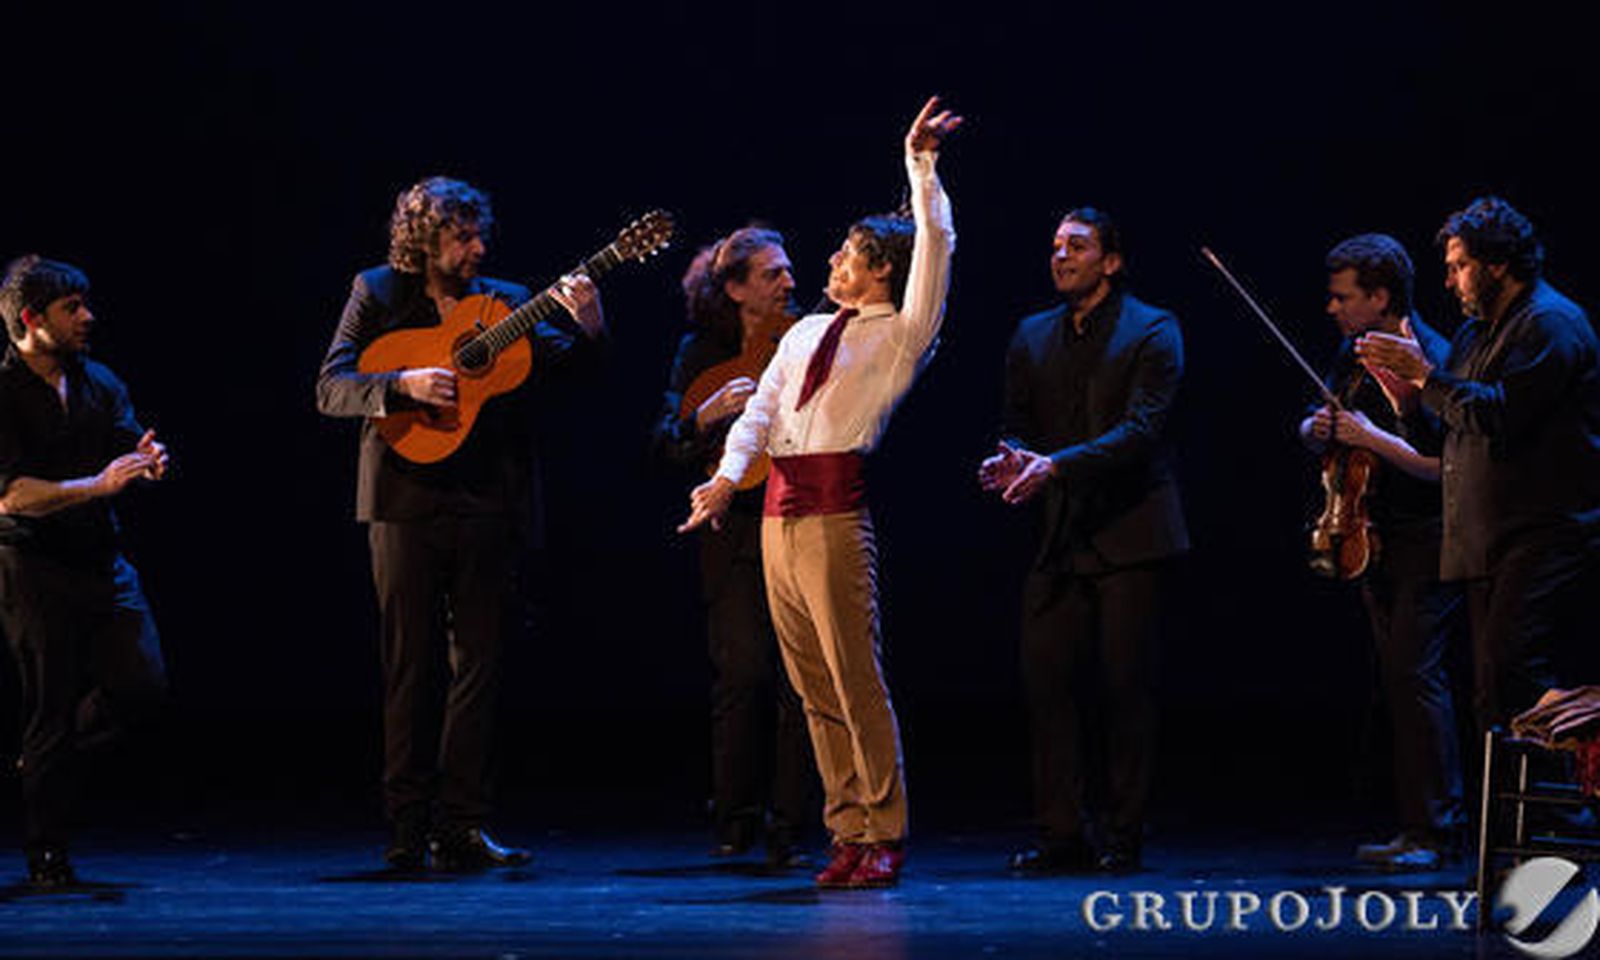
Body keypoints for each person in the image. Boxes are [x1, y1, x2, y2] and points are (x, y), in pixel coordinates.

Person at [679, 96, 961, 889]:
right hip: (776, 516)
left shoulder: (902, 333)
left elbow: (935, 246)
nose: (831, 262)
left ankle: (884, 827)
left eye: (848, 255)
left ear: (881, 272)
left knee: (851, 673)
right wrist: (727, 480)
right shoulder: (805, 331)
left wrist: (921, 166)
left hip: (836, 514)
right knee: (808, 682)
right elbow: (762, 410)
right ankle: (846, 827)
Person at [316, 176, 603, 870]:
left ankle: (463, 826)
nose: (478, 248)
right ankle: (407, 827)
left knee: (479, 666)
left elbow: (574, 376)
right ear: (425, 239)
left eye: (480, 235)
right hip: (403, 502)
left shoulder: (504, 303)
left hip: (489, 503)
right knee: (409, 667)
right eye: (462, 237)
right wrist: (403, 384)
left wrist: (590, 320)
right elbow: (330, 386)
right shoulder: (377, 291)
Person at [979, 208, 1187, 875]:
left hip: (1131, 533)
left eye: (1077, 245)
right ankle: (1061, 833)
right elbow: (1017, 423)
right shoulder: (1032, 334)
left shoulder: (1153, 328)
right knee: (1048, 687)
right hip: (1060, 539)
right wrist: (1010, 459)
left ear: (1112, 260)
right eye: (1055, 246)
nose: (1060, 255)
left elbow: (1141, 431)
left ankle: (1123, 834)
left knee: (1126, 690)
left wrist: (1056, 465)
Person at [1357, 197, 1600, 736]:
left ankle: (1584, 758)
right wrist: (1404, 403)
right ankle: (1536, 816)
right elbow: (1450, 437)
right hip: (1487, 535)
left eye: (1459, 265)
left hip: (1543, 530)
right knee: (1491, 696)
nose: (1450, 281)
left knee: (1510, 667)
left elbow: (1498, 413)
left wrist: (1426, 379)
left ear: (1498, 263)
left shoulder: (1552, 325)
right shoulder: (1474, 333)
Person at [0, 255, 169, 888]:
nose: (87, 318)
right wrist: (97, 486)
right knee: (49, 704)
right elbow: (12, 495)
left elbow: (125, 447)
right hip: (32, 564)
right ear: (30, 319)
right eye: (72, 308)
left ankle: (39, 764)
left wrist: (147, 460)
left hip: (101, 560)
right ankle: (48, 854)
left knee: (141, 687)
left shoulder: (98, 381)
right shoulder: (3, 391)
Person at [1298, 234, 1464, 870]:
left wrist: (1371, 436)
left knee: (1416, 679)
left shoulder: (1435, 360)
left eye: (1344, 297)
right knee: (1398, 682)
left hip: (1428, 540)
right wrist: (1316, 429)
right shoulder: (1353, 353)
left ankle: (1435, 830)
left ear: (1380, 296)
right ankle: (1415, 823)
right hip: (1372, 537)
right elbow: (1324, 420)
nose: (1332, 308)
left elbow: (1442, 468)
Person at [653, 227, 814, 866]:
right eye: (773, 273)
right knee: (742, 673)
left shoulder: (807, 341)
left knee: (798, 681)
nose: (789, 282)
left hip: (798, 516)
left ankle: (788, 825)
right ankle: (736, 816)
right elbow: (664, 442)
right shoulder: (701, 352)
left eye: (788, 270)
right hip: (733, 529)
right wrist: (707, 415)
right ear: (736, 288)